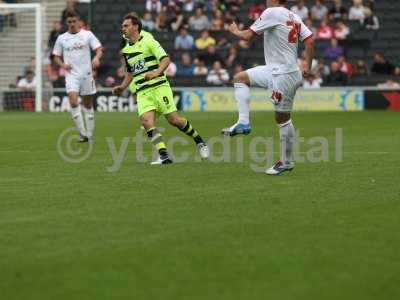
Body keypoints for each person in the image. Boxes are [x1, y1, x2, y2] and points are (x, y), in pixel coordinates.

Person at [221, 0, 314, 175]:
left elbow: (247, 36)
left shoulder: (272, 12)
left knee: (282, 119)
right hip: (275, 70)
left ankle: (286, 162)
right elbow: (309, 40)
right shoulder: (293, 15)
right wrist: (307, 66)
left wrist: (234, 31)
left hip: (283, 75)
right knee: (240, 79)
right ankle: (243, 122)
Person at [112, 14, 209, 165]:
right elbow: (130, 72)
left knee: (174, 120)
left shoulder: (149, 42)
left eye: (126, 25)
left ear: (135, 27)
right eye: (123, 26)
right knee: (145, 121)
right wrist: (123, 86)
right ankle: (164, 155)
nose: (122, 28)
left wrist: (156, 73)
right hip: (143, 91)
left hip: (159, 86)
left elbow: (166, 59)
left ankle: (200, 141)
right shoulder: (126, 51)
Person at [53, 12, 103, 142]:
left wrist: (97, 58)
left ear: (79, 21)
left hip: (86, 74)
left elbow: (98, 49)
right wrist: (62, 65)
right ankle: (83, 133)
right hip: (71, 75)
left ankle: (90, 134)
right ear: (66, 23)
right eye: (69, 22)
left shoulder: (87, 35)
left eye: (74, 21)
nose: (72, 24)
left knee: (87, 104)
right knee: (73, 101)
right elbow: (56, 56)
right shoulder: (62, 38)